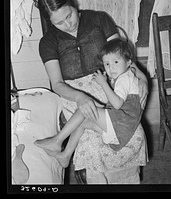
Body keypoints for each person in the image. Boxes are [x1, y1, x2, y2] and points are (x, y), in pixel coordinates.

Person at [36, 0, 148, 183]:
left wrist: (142, 78)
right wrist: (80, 97)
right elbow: (57, 83)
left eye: (69, 16)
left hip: (109, 85)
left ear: (73, 4)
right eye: (59, 23)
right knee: (91, 142)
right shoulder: (48, 41)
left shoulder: (99, 19)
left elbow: (121, 57)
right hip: (73, 93)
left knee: (133, 133)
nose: (67, 24)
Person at [34, 39, 146, 171]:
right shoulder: (126, 74)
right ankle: (65, 155)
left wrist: (103, 83)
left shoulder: (124, 79)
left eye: (116, 62)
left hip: (121, 124)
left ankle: (57, 141)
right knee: (82, 122)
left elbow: (117, 104)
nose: (111, 68)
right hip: (122, 127)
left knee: (86, 107)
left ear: (128, 62)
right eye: (107, 64)